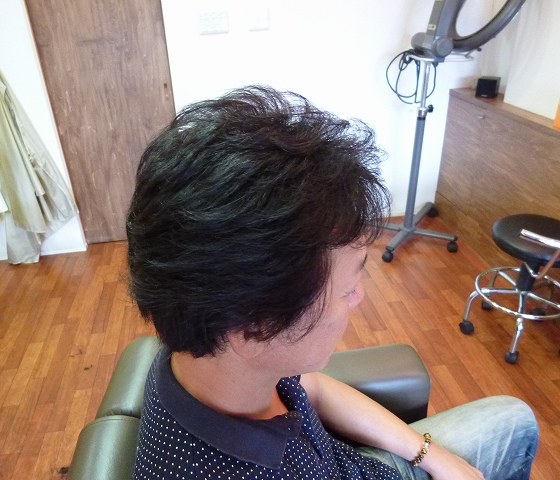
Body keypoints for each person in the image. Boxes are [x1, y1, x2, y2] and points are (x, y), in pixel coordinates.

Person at [126, 85, 539, 479]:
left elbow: (314, 390)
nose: (358, 296)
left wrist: (431, 454)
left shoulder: (210, 356)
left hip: (358, 466)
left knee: (514, 418)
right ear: (254, 329)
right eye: (346, 289)